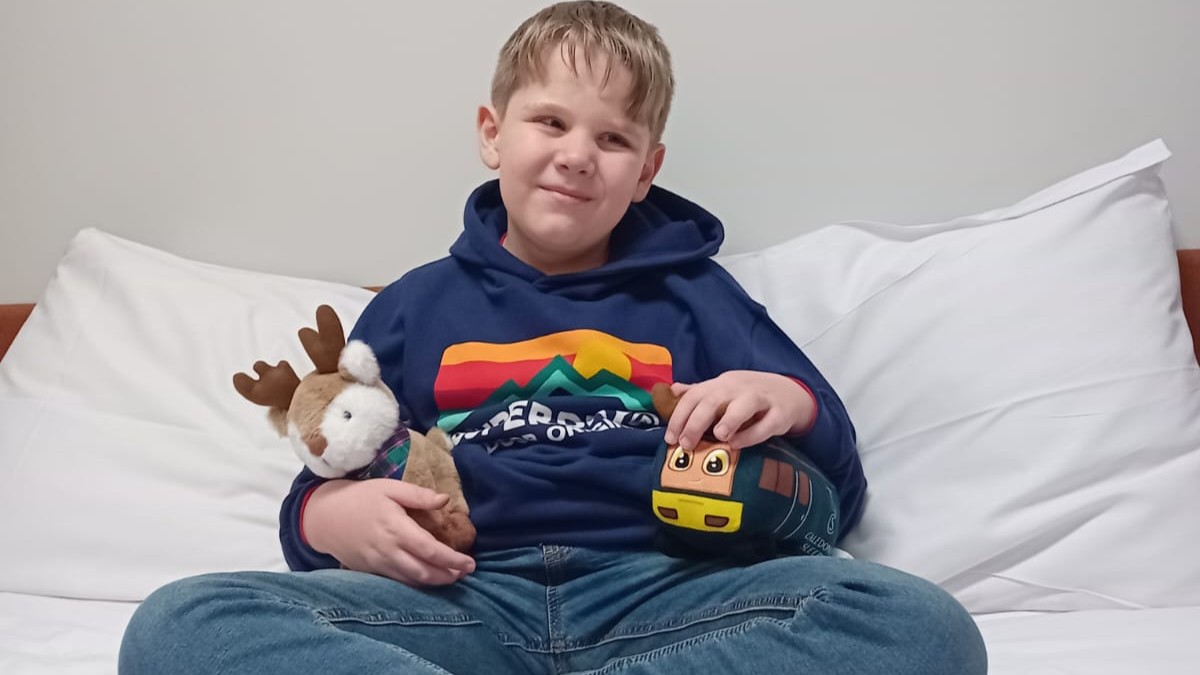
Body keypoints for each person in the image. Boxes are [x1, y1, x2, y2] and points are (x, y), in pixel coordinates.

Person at [119, 2, 987, 673]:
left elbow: (838, 491)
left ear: (647, 171)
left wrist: (787, 401)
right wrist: (328, 516)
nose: (578, 154)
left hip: (668, 593)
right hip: (461, 602)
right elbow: (328, 466)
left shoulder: (697, 295)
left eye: (614, 138)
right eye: (551, 122)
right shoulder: (417, 306)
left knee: (919, 625)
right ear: (493, 134)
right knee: (180, 623)